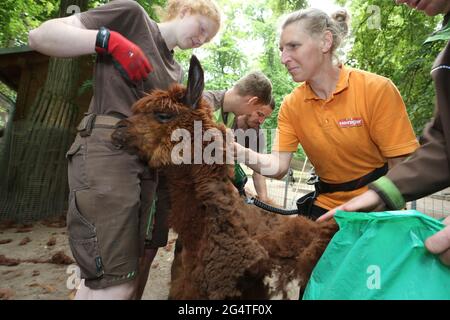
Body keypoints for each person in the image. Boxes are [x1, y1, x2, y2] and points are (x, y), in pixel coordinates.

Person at [28, 0, 221, 299]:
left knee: (102, 278)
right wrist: (106, 40)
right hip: (109, 152)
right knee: (117, 283)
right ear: (185, 10)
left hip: (146, 168)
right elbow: (40, 36)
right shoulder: (132, 17)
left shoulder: (176, 70)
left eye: (206, 39)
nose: (200, 40)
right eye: (202, 29)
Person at [234, 7, 419, 220]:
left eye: (293, 46)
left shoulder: (377, 89)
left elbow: (402, 167)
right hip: (326, 211)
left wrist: (379, 208)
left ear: (325, 41)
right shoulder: (292, 105)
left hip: (379, 209)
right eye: (281, 49)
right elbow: (278, 166)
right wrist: (237, 150)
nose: (284, 58)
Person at [318, 0, 450, 266]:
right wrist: (383, 193)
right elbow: (443, 142)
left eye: (294, 46)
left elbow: (400, 156)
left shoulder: (375, 88)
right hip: (339, 210)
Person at [203, 71, 274, 201]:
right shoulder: (204, 106)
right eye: (257, 111)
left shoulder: (230, 115)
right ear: (252, 101)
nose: (253, 114)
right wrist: (229, 187)